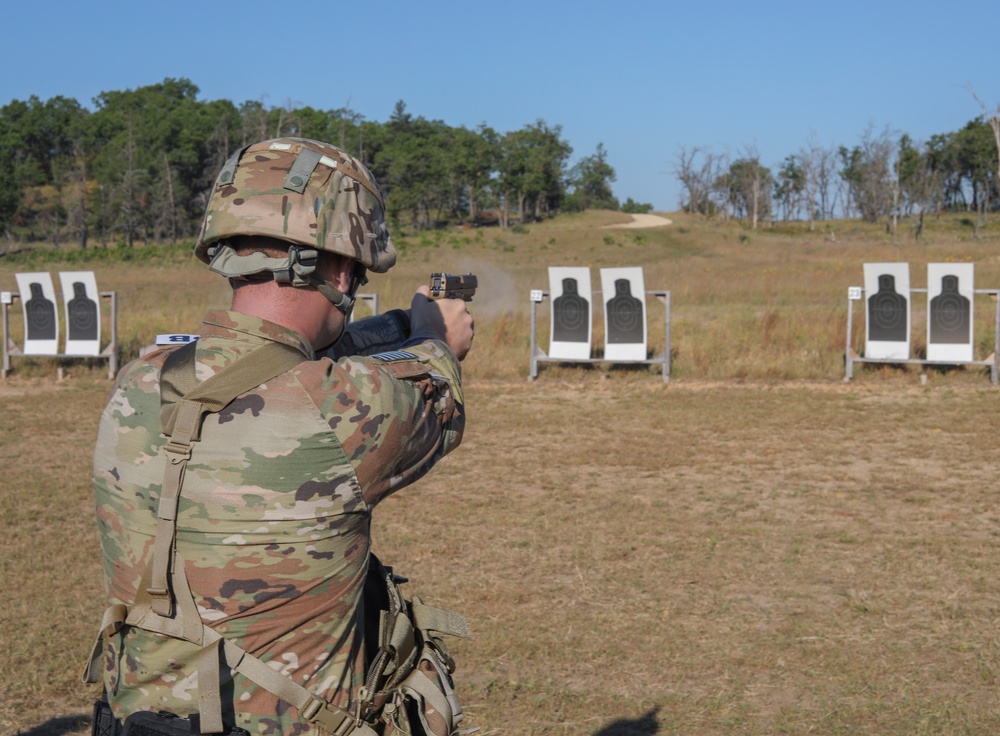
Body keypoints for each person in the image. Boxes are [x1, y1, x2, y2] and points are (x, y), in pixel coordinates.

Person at [88, 137, 474, 735]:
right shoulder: (341, 405)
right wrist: (434, 334)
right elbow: (436, 393)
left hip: (137, 719)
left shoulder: (137, 381)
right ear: (343, 267)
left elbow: (266, 359)